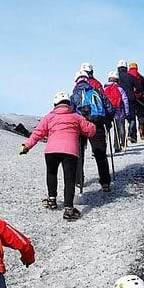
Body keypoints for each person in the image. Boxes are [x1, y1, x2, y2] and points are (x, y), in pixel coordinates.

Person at [20, 91, 96, 220]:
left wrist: (27, 146)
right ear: (68, 103)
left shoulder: (49, 117)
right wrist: (89, 119)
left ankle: (52, 200)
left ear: (55, 103)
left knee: (51, 173)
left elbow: (38, 133)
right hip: (70, 151)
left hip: (51, 151)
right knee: (69, 179)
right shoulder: (76, 117)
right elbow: (91, 131)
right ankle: (69, 209)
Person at [71, 71, 115, 192]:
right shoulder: (97, 92)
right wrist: (107, 121)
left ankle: (79, 180)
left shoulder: (74, 95)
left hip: (80, 127)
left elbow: (70, 112)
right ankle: (105, 182)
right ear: (87, 80)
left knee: (78, 154)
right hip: (97, 125)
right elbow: (110, 109)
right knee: (100, 154)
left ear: (77, 81)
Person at [116, 60, 142, 144]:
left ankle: (122, 141)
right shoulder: (130, 76)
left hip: (119, 101)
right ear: (126, 68)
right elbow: (139, 87)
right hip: (130, 99)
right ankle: (131, 133)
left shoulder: (116, 78)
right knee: (132, 118)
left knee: (121, 122)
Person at [103, 70, 130, 152]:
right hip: (119, 112)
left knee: (106, 130)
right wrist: (127, 112)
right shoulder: (120, 89)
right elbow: (125, 100)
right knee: (119, 128)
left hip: (108, 112)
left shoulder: (105, 89)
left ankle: (103, 147)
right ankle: (118, 146)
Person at [127, 62, 144, 141]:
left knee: (132, 117)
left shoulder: (127, 77)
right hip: (140, 98)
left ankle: (132, 133)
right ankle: (141, 128)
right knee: (141, 115)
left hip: (130, 98)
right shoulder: (141, 77)